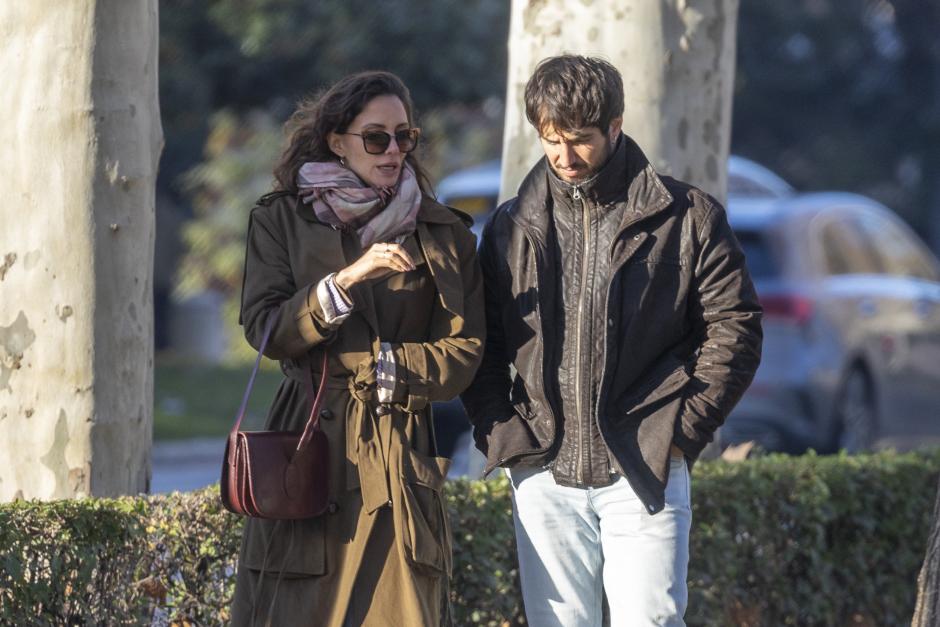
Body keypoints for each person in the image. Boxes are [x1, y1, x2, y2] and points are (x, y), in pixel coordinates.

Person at [461, 55, 762, 626]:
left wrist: (682, 430)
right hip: (542, 468)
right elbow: (484, 343)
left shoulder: (688, 216)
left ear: (616, 127)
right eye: (551, 141)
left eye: (580, 141)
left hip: (645, 464)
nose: (565, 158)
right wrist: (503, 434)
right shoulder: (510, 226)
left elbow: (735, 326)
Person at [230, 71, 484, 626]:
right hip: (308, 447)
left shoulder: (441, 233)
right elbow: (267, 331)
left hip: (395, 450)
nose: (393, 150)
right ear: (336, 141)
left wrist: (396, 365)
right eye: (375, 137)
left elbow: (464, 350)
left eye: (403, 136)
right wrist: (344, 283)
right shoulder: (280, 220)